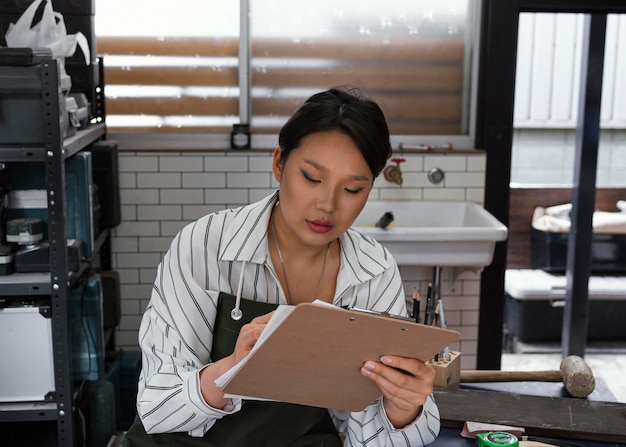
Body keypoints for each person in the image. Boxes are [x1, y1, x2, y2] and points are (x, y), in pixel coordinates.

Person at [126, 87, 440, 446]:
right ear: (278, 163)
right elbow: (158, 404)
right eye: (311, 178)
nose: (327, 205)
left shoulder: (374, 272)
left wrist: (403, 408)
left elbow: (367, 434)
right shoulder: (205, 245)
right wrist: (231, 371)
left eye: (353, 189)